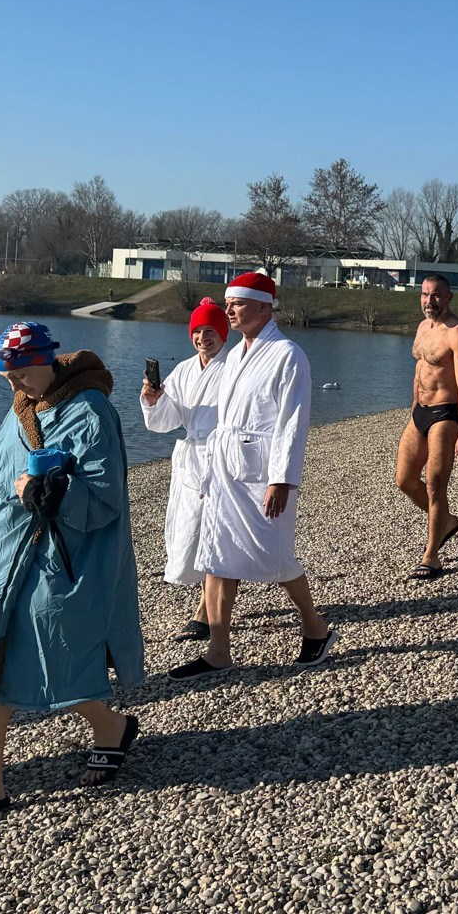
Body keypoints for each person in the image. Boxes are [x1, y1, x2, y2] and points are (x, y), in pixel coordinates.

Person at [0, 322, 144, 828]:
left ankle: (111, 726)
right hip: (6, 546)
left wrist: (51, 493)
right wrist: (21, 490)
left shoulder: (91, 412)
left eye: (21, 375)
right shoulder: (24, 408)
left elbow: (105, 496)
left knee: (51, 639)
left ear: (48, 361)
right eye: (6, 377)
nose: (14, 387)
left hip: (64, 549)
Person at [167, 271, 335, 677]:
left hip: (261, 473)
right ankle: (219, 652)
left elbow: (293, 423)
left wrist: (282, 480)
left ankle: (315, 628)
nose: (229, 311)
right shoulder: (237, 354)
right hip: (223, 469)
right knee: (216, 555)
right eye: (228, 304)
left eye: (237, 304)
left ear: (264, 306)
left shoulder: (287, 355)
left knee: (274, 559)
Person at [141, 298, 230, 640]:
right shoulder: (185, 370)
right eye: (197, 331)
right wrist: (154, 399)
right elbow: (167, 421)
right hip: (191, 462)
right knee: (192, 533)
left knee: (216, 535)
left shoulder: (235, 366)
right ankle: (213, 603)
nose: (203, 338)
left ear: (223, 333)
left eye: (210, 330)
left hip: (223, 459)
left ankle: (205, 615)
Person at [397, 273, 458, 579]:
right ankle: (445, 521)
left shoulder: (457, 331)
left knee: (435, 485)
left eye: (437, 295)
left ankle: (432, 556)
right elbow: (419, 372)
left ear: (449, 297)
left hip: (446, 413)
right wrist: (413, 410)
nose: (430, 301)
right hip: (421, 412)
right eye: (425, 294)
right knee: (404, 480)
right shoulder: (422, 328)